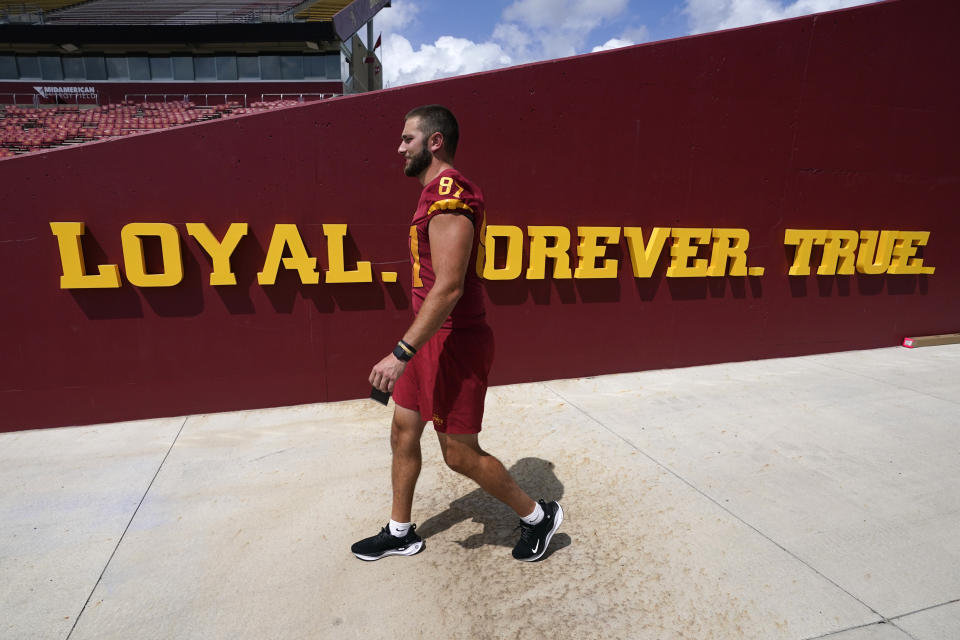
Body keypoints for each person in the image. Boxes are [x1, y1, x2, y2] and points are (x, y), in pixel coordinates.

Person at [352, 104, 563, 562]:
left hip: (454, 344)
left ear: (434, 141)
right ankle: (401, 531)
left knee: (459, 455)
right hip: (427, 341)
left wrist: (400, 352)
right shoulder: (431, 194)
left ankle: (537, 517)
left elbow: (449, 287)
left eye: (407, 138)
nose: (399, 147)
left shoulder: (450, 195)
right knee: (403, 431)